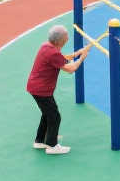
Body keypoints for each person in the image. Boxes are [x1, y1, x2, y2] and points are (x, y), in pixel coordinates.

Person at [26, 25, 90, 155]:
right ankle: (52, 145)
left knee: (47, 114)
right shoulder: (53, 53)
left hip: (37, 88)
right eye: (66, 36)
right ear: (60, 40)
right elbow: (71, 69)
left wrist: (77, 53)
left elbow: (61, 58)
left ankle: (40, 140)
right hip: (41, 90)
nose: (68, 38)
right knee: (55, 117)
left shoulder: (46, 46)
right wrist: (82, 58)